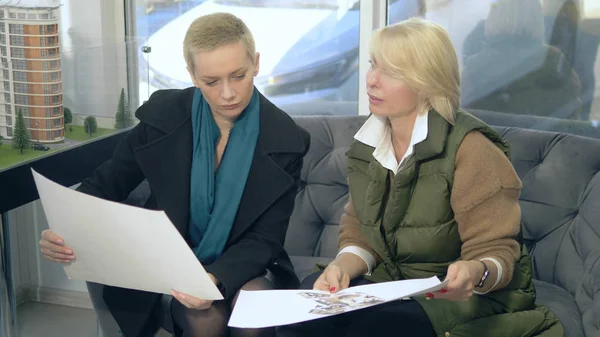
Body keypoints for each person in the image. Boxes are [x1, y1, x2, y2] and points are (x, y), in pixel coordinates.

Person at [276, 18, 563, 337]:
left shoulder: (473, 150)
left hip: (467, 296)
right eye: (373, 65)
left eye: (390, 72)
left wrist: (474, 271)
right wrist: (342, 266)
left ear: (427, 81)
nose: (371, 81)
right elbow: (360, 231)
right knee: (306, 309)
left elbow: (497, 252)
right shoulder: (369, 144)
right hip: (394, 284)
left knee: (379, 328)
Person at [38, 12, 310, 337]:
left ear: (257, 64)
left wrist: (213, 278)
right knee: (205, 320)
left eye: (238, 76)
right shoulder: (163, 116)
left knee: (252, 311)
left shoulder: (287, 139)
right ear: (192, 75)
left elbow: (265, 238)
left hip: (248, 262)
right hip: (170, 261)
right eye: (212, 81)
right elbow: (106, 183)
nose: (228, 93)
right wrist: (64, 227)